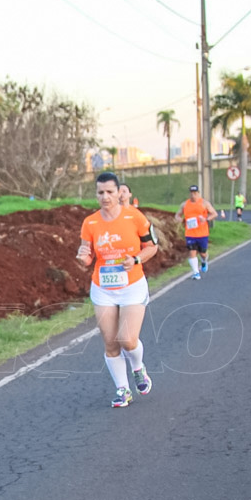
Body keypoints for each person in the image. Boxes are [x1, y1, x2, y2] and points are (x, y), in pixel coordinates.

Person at [77, 171, 159, 408]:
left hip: (132, 284)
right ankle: (122, 390)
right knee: (111, 342)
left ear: (118, 192)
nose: (105, 197)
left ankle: (138, 368)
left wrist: (135, 259)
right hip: (103, 288)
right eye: (100, 192)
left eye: (110, 192)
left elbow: (152, 247)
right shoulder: (90, 222)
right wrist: (82, 257)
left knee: (127, 339)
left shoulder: (134, 217)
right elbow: (87, 255)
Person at [175, 185, 217, 279]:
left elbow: (214, 214)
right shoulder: (185, 204)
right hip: (190, 233)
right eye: (191, 193)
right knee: (192, 252)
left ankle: (204, 260)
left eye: (195, 193)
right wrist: (179, 219)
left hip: (202, 233)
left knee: (202, 253)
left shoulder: (204, 203)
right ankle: (196, 272)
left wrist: (206, 219)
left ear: (198, 193)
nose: (193, 195)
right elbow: (177, 215)